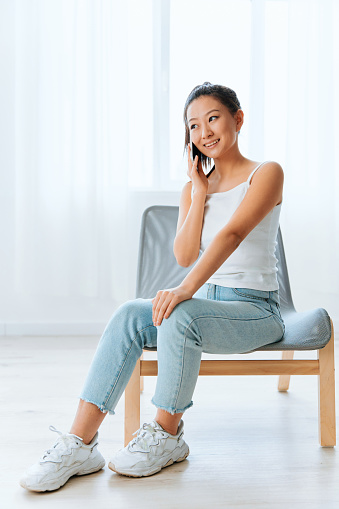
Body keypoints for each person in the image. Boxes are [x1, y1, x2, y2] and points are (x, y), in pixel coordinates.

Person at [20, 82, 285, 492]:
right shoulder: (194, 188)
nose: (204, 133)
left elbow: (231, 236)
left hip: (256, 311)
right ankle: (80, 443)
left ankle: (166, 435)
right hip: (207, 307)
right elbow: (183, 254)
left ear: (238, 118)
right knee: (130, 314)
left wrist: (183, 291)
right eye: (193, 126)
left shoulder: (266, 173)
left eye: (213, 118)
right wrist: (199, 192)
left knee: (181, 313)